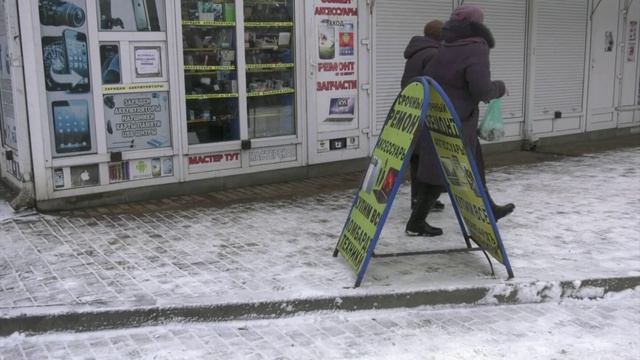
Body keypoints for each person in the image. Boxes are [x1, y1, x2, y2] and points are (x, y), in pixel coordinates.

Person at [406, 5, 515, 236]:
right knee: (444, 172)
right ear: (478, 25)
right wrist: (501, 87)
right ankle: (416, 223)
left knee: (470, 164)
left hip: (440, 116)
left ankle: (489, 208)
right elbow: (481, 90)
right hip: (458, 120)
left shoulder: (446, 44)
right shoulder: (476, 48)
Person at [400, 20, 446, 213]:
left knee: (418, 158)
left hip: (413, 109)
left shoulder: (417, 52)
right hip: (425, 112)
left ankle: (421, 199)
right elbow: (436, 85)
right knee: (427, 159)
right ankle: (422, 202)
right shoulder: (433, 54)